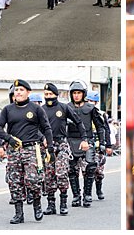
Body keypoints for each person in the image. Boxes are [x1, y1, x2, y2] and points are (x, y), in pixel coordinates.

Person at [0, 79, 54, 224]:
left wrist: (50, 149)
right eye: (16, 90)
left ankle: (37, 205)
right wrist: (9, 139)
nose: (18, 93)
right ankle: (18, 213)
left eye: (21, 90)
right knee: (14, 181)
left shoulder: (36, 109)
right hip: (14, 150)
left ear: (28, 92)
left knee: (33, 180)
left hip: (32, 149)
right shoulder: (8, 109)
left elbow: (47, 128)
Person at [42, 82, 87, 216]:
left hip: (61, 144)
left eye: (50, 94)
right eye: (46, 94)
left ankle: (63, 203)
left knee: (61, 174)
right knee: (49, 176)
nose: (48, 96)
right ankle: (51, 204)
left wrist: (84, 138)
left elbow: (78, 121)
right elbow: (35, 127)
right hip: (46, 146)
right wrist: (41, 138)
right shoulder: (41, 109)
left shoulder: (63, 107)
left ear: (56, 95)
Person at [67, 80, 105, 208]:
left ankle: (87, 194)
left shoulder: (91, 108)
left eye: (79, 93)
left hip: (87, 140)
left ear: (84, 94)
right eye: (74, 93)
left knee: (90, 168)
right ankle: (76, 196)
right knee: (72, 170)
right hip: (71, 140)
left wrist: (103, 143)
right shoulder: (66, 108)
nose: (76, 95)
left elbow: (100, 126)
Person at [86, 91, 112, 200]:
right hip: (87, 146)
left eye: (92, 101)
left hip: (99, 146)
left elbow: (106, 130)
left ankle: (99, 189)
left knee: (99, 171)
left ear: (96, 102)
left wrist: (108, 145)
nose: (90, 103)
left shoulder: (101, 114)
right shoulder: (83, 112)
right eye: (88, 101)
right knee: (87, 170)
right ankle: (87, 193)